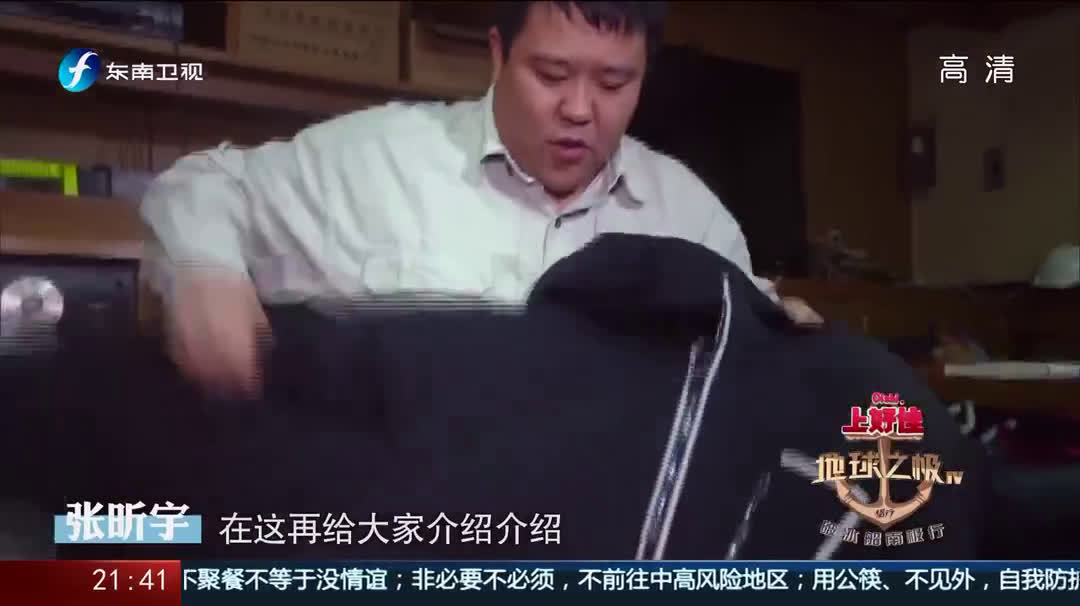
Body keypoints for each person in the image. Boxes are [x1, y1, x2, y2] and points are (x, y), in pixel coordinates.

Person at [140, 0, 823, 397]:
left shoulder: (690, 215)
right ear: (498, 54)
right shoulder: (380, 159)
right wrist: (205, 271)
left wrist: (783, 336)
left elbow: (747, 340)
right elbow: (201, 185)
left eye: (615, 84)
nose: (579, 109)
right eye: (551, 74)